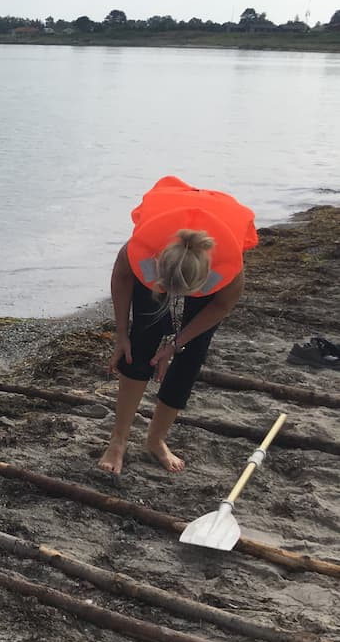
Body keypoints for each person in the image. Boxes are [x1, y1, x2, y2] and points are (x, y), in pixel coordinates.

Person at [98, 176, 257, 473]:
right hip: (166, 243)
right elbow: (122, 277)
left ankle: (156, 440)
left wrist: (175, 344)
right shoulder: (144, 248)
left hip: (210, 248)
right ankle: (117, 440)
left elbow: (221, 306)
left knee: (191, 354)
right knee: (140, 343)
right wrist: (121, 334)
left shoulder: (226, 268)